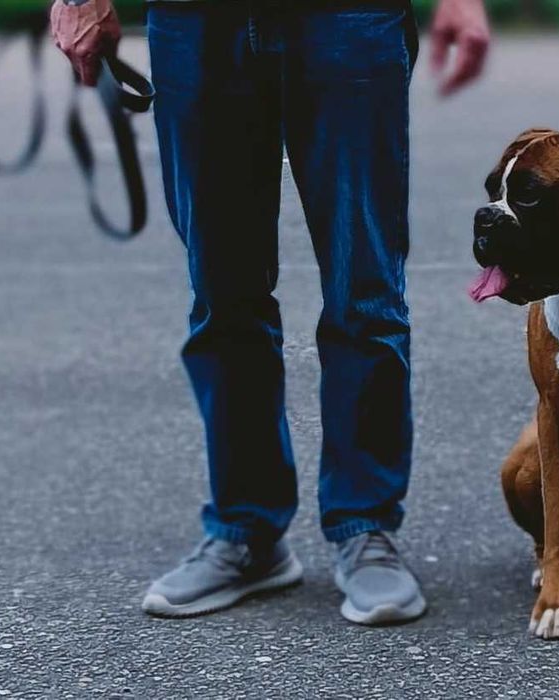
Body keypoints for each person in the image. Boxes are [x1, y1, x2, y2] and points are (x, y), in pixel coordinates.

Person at [51, 0, 490, 624]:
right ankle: (247, 531)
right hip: (196, 21)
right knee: (223, 294)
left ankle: (365, 528)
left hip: (350, 16)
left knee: (364, 292)